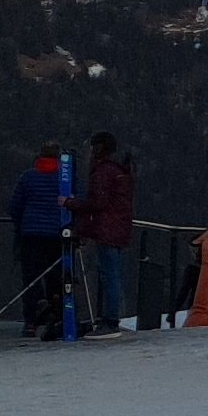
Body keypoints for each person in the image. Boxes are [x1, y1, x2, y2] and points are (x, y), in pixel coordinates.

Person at [69, 130, 139, 331]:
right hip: (119, 227)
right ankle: (110, 315)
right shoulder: (120, 171)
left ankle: (110, 318)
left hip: (107, 228)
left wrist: (70, 203)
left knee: (109, 274)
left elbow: (98, 202)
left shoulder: (103, 172)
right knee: (112, 273)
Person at [7, 143, 73, 336]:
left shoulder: (28, 176)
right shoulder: (65, 178)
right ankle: (57, 318)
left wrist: (22, 224)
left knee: (31, 279)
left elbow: (14, 206)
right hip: (58, 233)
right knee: (57, 278)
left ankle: (31, 322)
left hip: (31, 233)